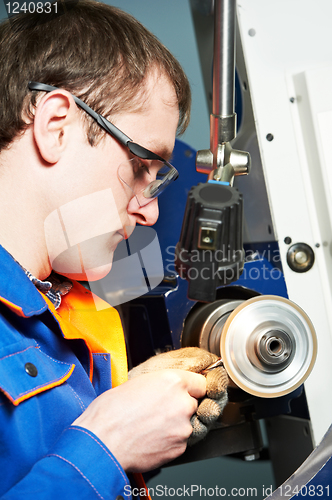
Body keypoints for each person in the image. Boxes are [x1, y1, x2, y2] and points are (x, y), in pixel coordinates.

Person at [0, 1, 228, 498]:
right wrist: (106, 445)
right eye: (144, 165)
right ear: (56, 125)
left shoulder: (63, 314)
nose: (148, 213)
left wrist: (130, 410)